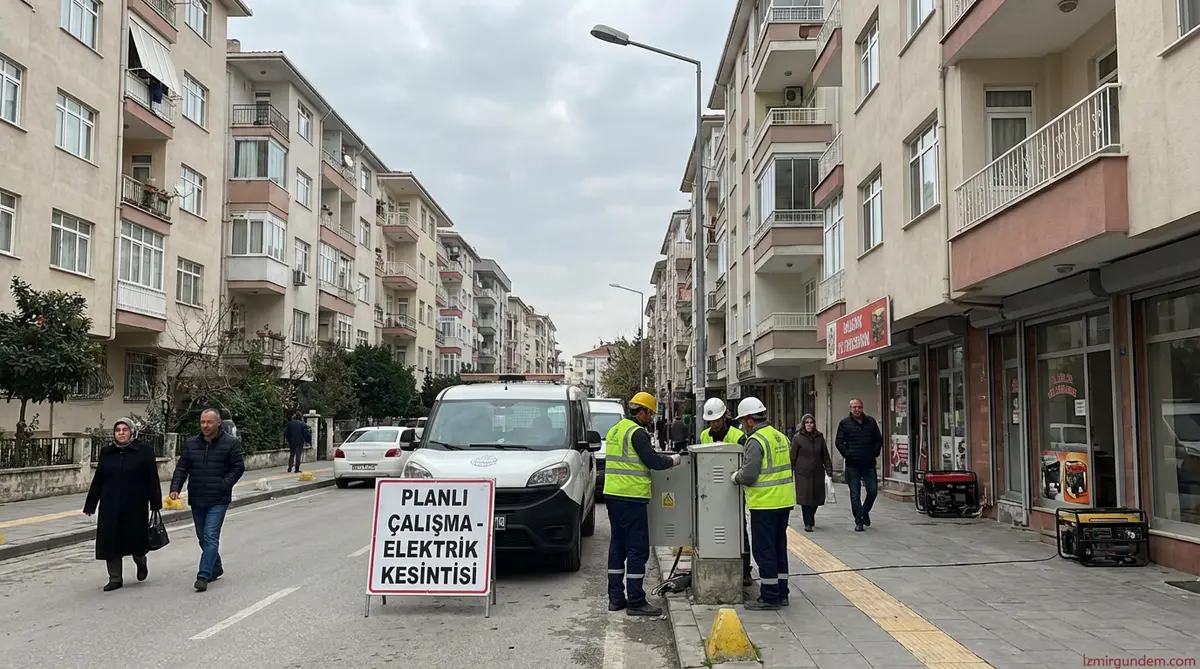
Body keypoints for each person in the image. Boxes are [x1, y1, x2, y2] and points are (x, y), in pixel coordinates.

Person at [604, 391, 682, 616]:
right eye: (650, 413)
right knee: (637, 549)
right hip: (632, 498)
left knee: (617, 547)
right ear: (642, 411)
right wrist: (675, 460)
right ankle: (636, 601)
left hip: (613, 495)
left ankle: (616, 598)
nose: (651, 417)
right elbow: (654, 462)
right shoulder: (637, 433)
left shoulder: (615, 430)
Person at [83, 418, 163, 592]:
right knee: (110, 541)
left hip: (134, 504)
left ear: (132, 432)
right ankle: (115, 578)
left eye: (124, 430)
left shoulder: (144, 451)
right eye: (117, 430)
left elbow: (152, 478)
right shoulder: (107, 452)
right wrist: (91, 504)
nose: (121, 433)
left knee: (136, 540)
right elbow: (99, 479)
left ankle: (141, 561)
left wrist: (155, 502)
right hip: (110, 504)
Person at [170, 408, 245, 592]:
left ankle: (203, 575)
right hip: (197, 497)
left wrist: (224, 484)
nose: (205, 426)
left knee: (211, 536)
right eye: (202, 422)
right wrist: (175, 488)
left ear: (218, 423)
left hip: (218, 499)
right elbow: (182, 467)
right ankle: (216, 566)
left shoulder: (231, 444)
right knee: (202, 538)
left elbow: (238, 467)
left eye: (209, 422)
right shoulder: (192, 444)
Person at [731, 397, 794, 611]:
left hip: (765, 503)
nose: (742, 425)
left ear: (750, 419)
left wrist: (734, 477)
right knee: (779, 548)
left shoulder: (756, 440)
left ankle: (769, 596)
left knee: (764, 550)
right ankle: (782, 591)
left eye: (742, 421)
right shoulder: (781, 437)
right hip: (784, 502)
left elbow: (749, 474)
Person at [699, 397, 753, 587]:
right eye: (710, 421)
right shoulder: (704, 435)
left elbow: (747, 463)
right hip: (710, 492)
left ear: (724, 417)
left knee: (739, 528)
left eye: (717, 420)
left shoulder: (738, 436)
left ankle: (745, 571)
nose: (713, 424)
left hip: (734, 491)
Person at [835, 398, 883, 532]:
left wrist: (875, 453)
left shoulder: (871, 422)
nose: (857, 409)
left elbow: (878, 440)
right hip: (853, 465)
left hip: (868, 463)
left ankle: (864, 511)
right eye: (854, 407)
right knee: (855, 494)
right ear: (850, 409)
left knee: (872, 491)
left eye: (859, 407)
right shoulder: (844, 423)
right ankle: (859, 520)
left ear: (862, 408)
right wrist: (847, 454)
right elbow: (838, 442)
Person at [791, 414, 833, 532]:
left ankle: (811, 516)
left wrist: (829, 469)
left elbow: (825, 454)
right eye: (807, 423)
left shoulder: (819, 437)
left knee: (816, 498)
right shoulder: (797, 438)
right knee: (805, 498)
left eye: (811, 422)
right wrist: (790, 470)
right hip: (802, 473)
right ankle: (808, 522)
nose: (809, 425)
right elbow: (792, 456)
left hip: (818, 472)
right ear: (803, 424)